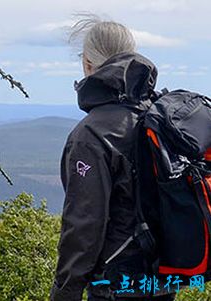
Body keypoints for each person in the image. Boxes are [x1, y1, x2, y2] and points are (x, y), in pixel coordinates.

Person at [49, 16, 177, 301]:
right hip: (164, 281)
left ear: (87, 64)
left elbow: (84, 225)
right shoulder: (158, 117)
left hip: (116, 284)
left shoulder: (90, 134)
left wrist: (64, 292)